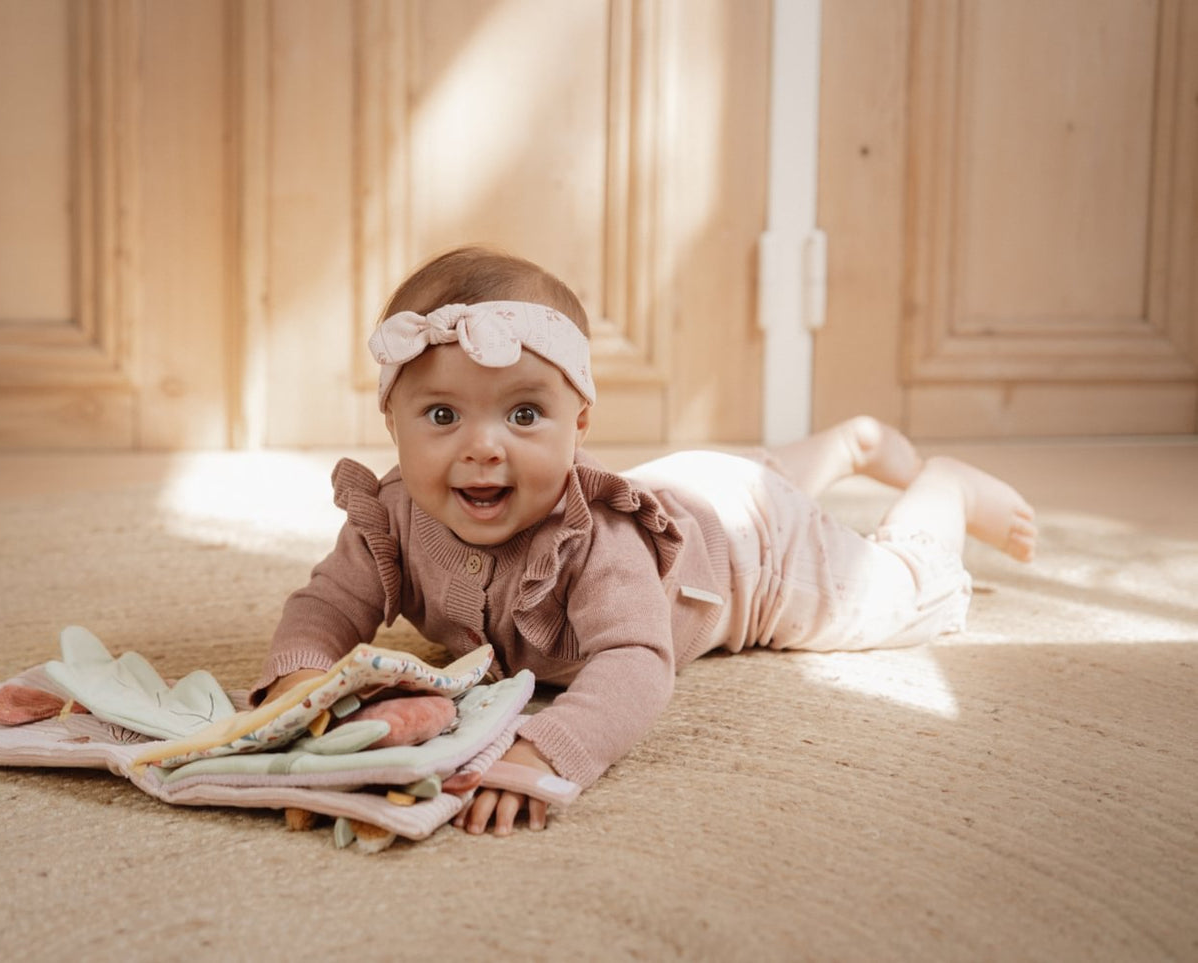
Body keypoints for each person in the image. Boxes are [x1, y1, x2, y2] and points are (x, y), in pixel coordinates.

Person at [250, 245, 1037, 836]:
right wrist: (301, 679)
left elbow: (636, 661)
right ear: (391, 423)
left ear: (579, 425)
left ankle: (947, 489)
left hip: (754, 556)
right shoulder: (390, 515)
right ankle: (848, 445)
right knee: (736, 480)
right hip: (699, 486)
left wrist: (545, 749)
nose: (482, 447)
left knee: (896, 594)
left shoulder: (601, 538)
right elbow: (327, 603)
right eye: (442, 415)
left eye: (523, 414)